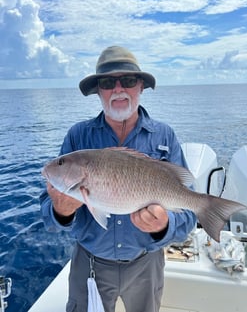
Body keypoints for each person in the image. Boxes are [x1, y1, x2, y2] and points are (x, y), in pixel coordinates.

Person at [40, 46, 197, 312]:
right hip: (89, 264)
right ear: (98, 91)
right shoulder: (78, 136)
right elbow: (49, 219)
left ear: (141, 87)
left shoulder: (165, 136)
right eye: (107, 82)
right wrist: (60, 211)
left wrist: (163, 224)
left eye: (128, 80)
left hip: (147, 265)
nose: (118, 89)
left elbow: (189, 219)